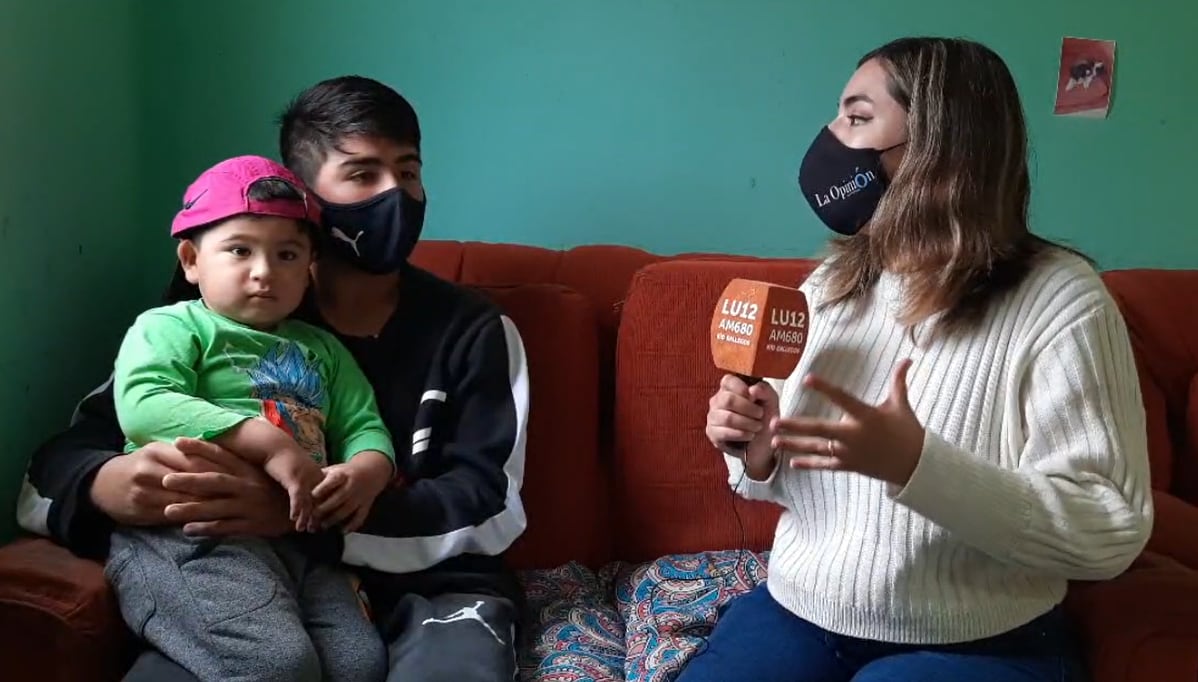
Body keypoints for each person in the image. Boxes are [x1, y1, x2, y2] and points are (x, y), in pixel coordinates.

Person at [18, 76, 530, 682]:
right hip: (233, 573)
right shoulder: (224, 315)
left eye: (409, 172)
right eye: (363, 175)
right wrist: (111, 486)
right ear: (304, 200)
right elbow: (63, 460)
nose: (396, 194)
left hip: (436, 592)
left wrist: (304, 517)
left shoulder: (474, 330)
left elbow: (490, 508)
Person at [695, 37, 1152, 682]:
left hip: (983, 641)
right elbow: (779, 481)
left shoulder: (1064, 301)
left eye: (857, 118)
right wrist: (756, 449)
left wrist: (920, 468)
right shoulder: (827, 288)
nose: (829, 138)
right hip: (799, 613)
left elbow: (1110, 529)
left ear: (938, 144)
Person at [105, 154, 394, 682]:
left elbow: (361, 423)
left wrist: (369, 470)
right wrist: (265, 441)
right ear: (192, 260)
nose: (264, 272)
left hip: (300, 542)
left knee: (361, 666)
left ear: (309, 270)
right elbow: (144, 403)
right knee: (276, 665)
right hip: (190, 535)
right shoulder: (174, 325)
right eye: (239, 250)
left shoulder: (322, 349)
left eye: (287, 255)